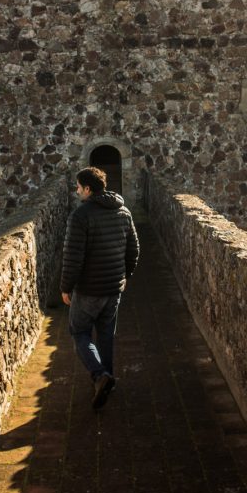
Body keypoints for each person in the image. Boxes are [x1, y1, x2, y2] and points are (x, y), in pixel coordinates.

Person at [60, 166, 139, 410]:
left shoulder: (81, 216)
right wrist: (124, 276)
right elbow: (134, 249)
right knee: (105, 334)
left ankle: (99, 375)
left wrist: (66, 287)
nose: (76, 191)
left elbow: (73, 257)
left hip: (88, 289)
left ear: (87, 189)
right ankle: (109, 380)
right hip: (113, 288)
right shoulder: (123, 212)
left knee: (80, 333)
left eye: (78, 187)